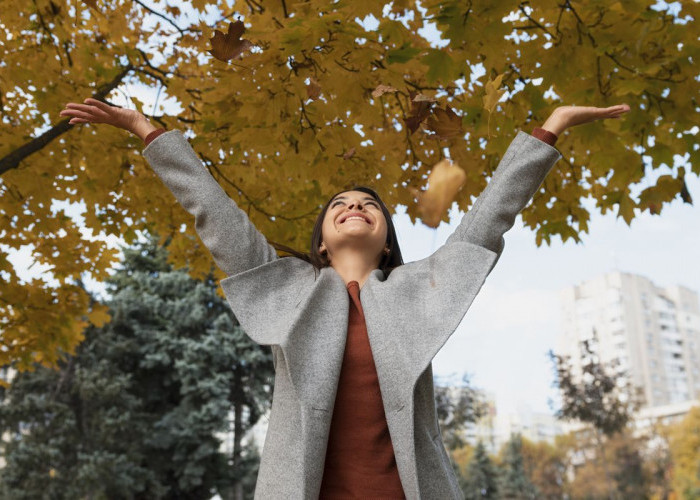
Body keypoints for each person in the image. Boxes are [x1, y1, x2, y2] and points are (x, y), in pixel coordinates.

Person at [60, 98, 630, 499]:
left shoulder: (416, 290)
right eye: (340, 203)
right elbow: (218, 217)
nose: (354, 204)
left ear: (386, 244)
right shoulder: (289, 290)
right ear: (322, 242)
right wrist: (147, 131)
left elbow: (486, 223)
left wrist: (549, 128)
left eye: (369, 203)